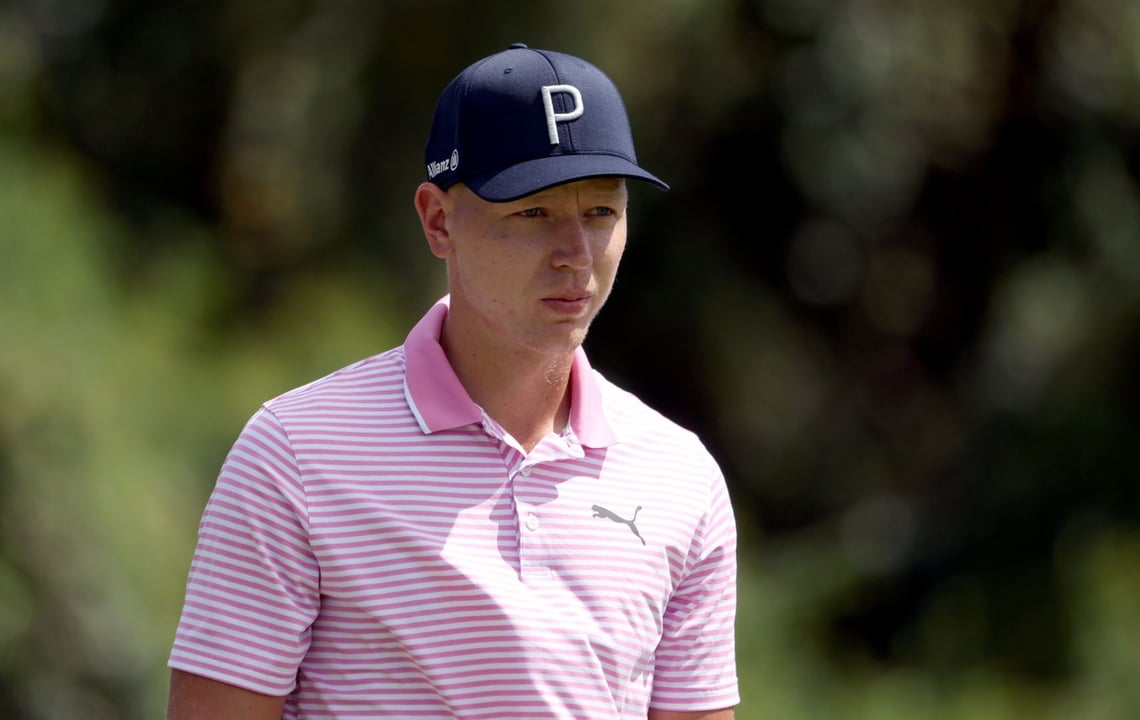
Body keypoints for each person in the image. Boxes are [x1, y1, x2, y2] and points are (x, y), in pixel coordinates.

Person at [166, 43, 739, 720]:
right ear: (438, 220)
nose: (576, 255)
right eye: (533, 212)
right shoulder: (294, 451)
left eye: (601, 213)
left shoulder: (680, 475)